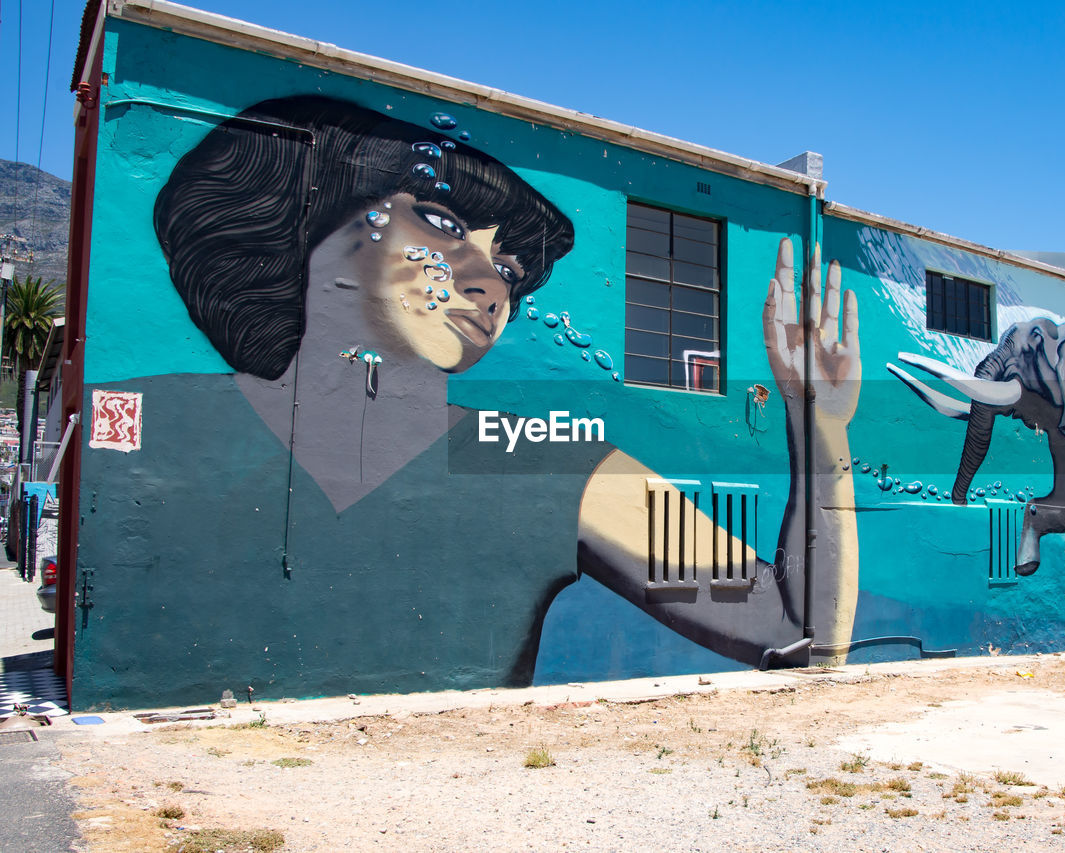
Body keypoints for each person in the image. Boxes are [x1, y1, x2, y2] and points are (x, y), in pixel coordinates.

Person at [148, 95, 860, 693]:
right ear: (315, 207)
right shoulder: (158, 425)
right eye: (445, 224)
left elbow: (798, 627)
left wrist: (819, 422)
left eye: (509, 267)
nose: (490, 282)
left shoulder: (544, 459)